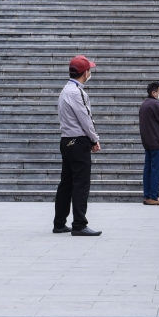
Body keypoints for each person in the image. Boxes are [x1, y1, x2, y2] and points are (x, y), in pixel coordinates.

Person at [54, 55, 102, 236]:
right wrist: (94, 139)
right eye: (89, 69)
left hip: (66, 140)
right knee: (81, 184)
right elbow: (85, 118)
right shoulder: (78, 92)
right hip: (78, 141)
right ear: (85, 73)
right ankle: (79, 224)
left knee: (66, 183)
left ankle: (59, 223)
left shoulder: (65, 90)